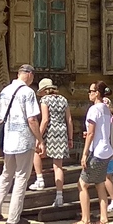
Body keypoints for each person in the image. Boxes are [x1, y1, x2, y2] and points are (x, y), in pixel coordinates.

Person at [0, 64, 42, 224]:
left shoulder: (5, 91)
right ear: (29, 75)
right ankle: (14, 217)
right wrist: (40, 139)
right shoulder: (28, 92)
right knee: (21, 177)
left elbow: (0, 117)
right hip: (24, 140)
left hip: (8, 140)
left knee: (6, 175)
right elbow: (32, 119)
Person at [72, 80, 113, 224]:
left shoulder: (93, 109)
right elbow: (100, 129)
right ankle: (104, 219)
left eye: (90, 91)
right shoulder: (106, 108)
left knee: (82, 184)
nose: (89, 94)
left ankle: (85, 220)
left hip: (96, 152)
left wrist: (84, 154)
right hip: (107, 150)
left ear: (97, 93)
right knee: (100, 184)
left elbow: (90, 133)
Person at [30, 78, 74, 207]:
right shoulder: (63, 100)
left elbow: (45, 120)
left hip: (50, 131)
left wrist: (39, 136)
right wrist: (70, 138)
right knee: (58, 166)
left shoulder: (44, 100)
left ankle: (39, 179)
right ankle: (59, 196)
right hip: (62, 132)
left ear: (43, 91)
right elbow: (69, 120)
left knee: (36, 151)